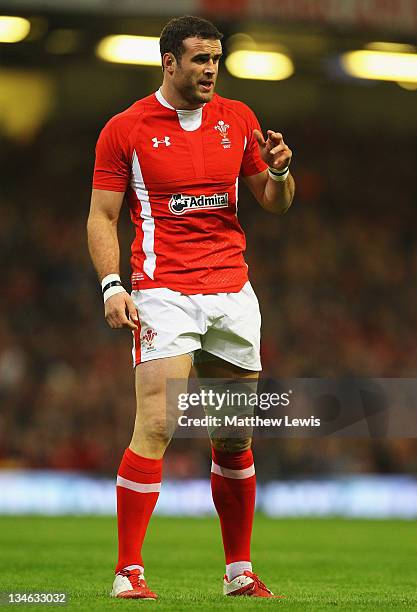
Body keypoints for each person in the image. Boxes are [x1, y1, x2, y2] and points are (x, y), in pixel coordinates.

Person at [87, 15, 294, 600]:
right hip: (162, 292)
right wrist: (111, 284)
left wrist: (281, 171)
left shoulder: (239, 119)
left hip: (232, 293)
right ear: (169, 62)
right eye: (200, 59)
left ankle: (239, 573)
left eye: (216, 60)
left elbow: (274, 203)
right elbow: (101, 215)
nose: (210, 70)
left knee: (234, 437)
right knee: (156, 425)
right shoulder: (125, 129)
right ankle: (128, 572)